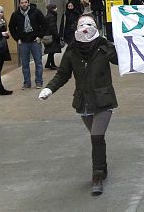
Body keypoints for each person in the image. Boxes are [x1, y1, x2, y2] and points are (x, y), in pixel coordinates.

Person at [39, 15, 119, 195]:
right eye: (82, 24)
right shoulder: (72, 50)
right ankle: (102, 167)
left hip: (103, 100)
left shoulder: (103, 46)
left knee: (96, 137)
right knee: (96, 137)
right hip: (83, 102)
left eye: (90, 24)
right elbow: (63, 74)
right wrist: (49, 89)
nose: (85, 27)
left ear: (96, 27)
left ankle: (97, 176)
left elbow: (121, 60)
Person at [8, 0, 46, 89]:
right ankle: (27, 83)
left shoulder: (36, 12)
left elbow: (44, 24)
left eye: (25, 2)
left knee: (38, 62)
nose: (24, 4)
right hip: (23, 42)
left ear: (28, 3)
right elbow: (12, 27)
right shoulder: (16, 14)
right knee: (25, 64)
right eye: (22, 3)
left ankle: (39, 82)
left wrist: (40, 36)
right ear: (19, 4)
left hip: (35, 41)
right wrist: (17, 39)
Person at [44, 3, 61, 69]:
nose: (56, 9)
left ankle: (49, 63)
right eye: (55, 8)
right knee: (52, 50)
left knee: (51, 51)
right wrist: (56, 35)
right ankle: (51, 64)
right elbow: (52, 27)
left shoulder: (49, 15)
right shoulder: (52, 16)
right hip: (51, 35)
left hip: (49, 34)